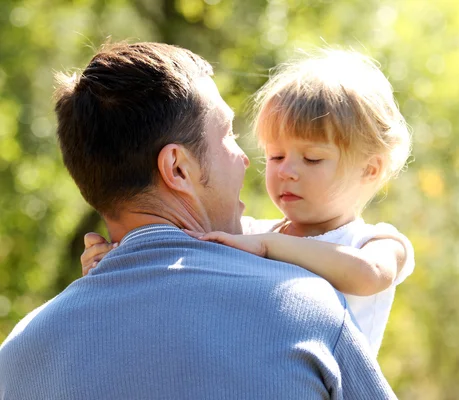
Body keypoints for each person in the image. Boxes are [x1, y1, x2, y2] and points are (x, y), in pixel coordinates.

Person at [0, 42, 397, 399]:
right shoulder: (309, 312)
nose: (246, 160)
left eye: (310, 158)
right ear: (178, 167)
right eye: (228, 135)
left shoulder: (17, 354)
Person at [81, 49, 415, 356]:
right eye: (276, 156)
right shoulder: (254, 233)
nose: (287, 171)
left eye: (312, 159)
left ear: (370, 169)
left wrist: (270, 246)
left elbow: (369, 275)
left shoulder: (375, 242)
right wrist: (116, 258)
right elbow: (180, 253)